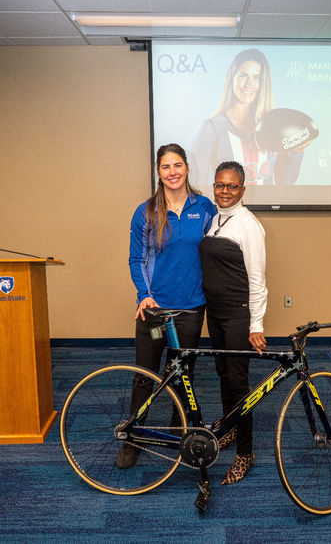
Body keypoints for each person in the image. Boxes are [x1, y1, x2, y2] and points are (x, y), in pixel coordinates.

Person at [117, 143, 216, 469]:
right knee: (145, 375)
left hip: (190, 308)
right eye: (165, 167)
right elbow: (136, 259)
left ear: (186, 167)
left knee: (182, 373)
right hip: (155, 310)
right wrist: (144, 294)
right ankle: (134, 437)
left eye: (177, 165)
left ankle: (178, 427)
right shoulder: (145, 212)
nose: (172, 172)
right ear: (158, 172)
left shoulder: (204, 208)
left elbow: (215, 253)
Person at [199, 161, 267, 484]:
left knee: (239, 384)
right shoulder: (214, 220)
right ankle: (228, 428)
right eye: (219, 185)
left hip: (239, 315)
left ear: (242, 189)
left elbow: (257, 279)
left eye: (232, 186)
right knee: (223, 374)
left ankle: (245, 453)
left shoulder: (248, 225)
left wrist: (257, 325)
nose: (225, 191)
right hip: (216, 313)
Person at [190, 48, 304, 187]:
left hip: (265, 207)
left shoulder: (274, 126)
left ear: (263, 83)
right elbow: (196, 185)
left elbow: (284, 181)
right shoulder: (211, 128)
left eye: (256, 77)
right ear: (232, 78)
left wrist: (298, 151)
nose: (248, 84)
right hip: (225, 209)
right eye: (243, 75)